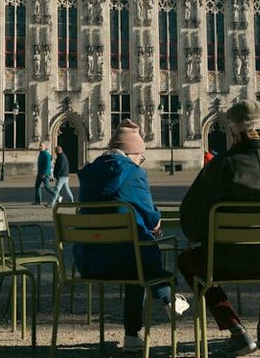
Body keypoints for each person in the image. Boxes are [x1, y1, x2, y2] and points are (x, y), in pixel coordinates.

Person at [178, 100, 260, 355]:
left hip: (224, 263)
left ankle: (235, 329)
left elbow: (190, 221)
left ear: (232, 132)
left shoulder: (218, 166)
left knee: (187, 260)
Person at [75, 120, 189, 352]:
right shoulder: (134, 173)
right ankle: (166, 296)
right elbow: (150, 216)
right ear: (133, 153)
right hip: (130, 262)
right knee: (139, 248)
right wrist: (156, 224)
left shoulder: (88, 174)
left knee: (131, 247)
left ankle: (133, 335)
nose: (141, 161)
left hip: (90, 261)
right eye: (141, 157)